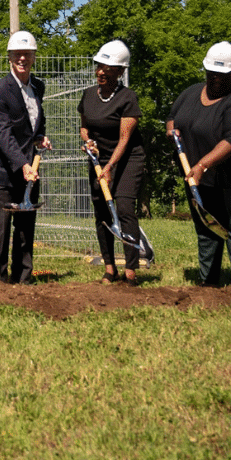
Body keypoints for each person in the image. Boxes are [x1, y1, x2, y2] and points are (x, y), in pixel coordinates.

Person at [167, 42, 231, 287]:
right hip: (202, 179)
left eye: (221, 75)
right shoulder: (191, 93)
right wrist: (172, 131)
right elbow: (172, 118)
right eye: (211, 73)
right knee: (207, 229)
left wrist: (201, 165)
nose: (215, 78)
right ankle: (208, 284)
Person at [0, 31, 51, 284]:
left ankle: (23, 280)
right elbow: (2, 133)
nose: (23, 58)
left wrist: (40, 137)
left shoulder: (38, 87)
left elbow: (31, 123)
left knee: (25, 230)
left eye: (28, 54)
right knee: (0, 232)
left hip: (28, 171)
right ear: (10, 57)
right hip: (1, 171)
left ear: (33, 57)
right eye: (18, 54)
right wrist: (21, 163)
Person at [80, 40, 148, 284]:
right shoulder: (88, 95)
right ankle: (110, 269)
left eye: (108, 68)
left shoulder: (127, 98)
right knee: (102, 213)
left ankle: (131, 271)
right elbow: (85, 127)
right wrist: (88, 142)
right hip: (99, 159)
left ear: (120, 72)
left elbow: (124, 139)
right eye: (99, 66)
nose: (101, 71)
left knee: (125, 209)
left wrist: (110, 167)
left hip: (127, 158)